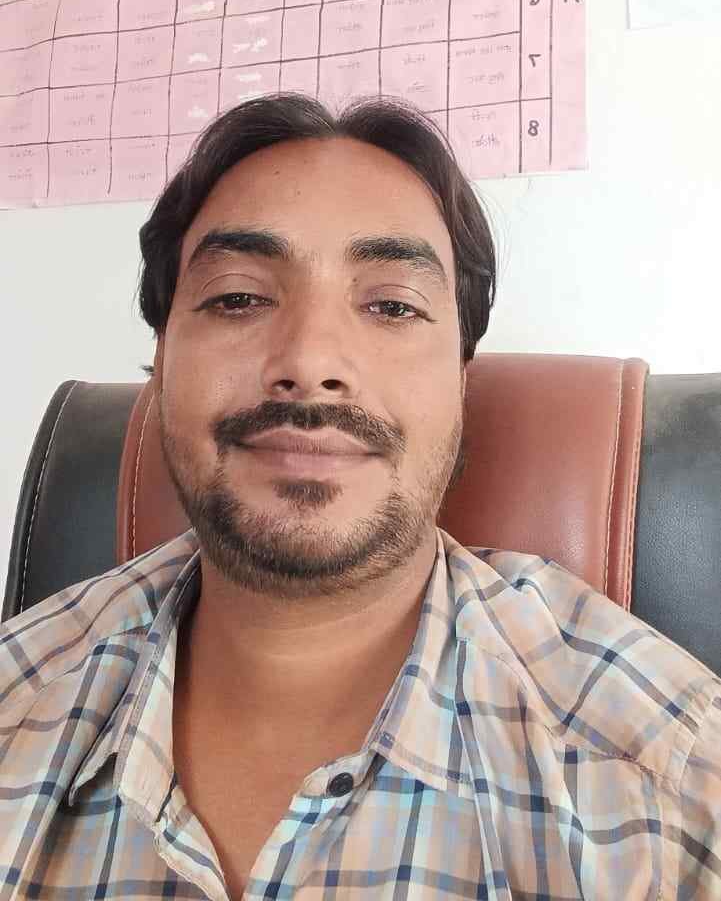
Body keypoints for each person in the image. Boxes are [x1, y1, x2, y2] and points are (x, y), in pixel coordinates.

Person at [1, 92, 719, 901]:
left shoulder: (668, 784)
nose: (309, 361)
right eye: (238, 297)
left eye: (391, 305)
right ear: (162, 360)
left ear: (460, 381)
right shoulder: (18, 703)